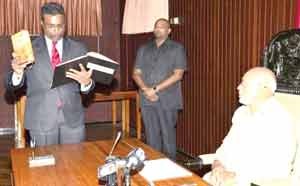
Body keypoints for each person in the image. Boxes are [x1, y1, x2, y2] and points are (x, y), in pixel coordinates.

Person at [5, 2, 94, 146]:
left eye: (60, 26)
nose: (56, 31)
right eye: (51, 26)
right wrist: (18, 73)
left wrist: (87, 83)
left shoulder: (79, 49)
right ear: (42, 24)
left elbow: (89, 84)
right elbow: (11, 85)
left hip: (72, 121)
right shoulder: (28, 49)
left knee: (75, 167)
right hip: (41, 121)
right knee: (45, 168)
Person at [205, 67, 297, 186]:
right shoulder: (241, 113)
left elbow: (277, 169)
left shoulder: (279, 120)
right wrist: (218, 166)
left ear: (264, 89)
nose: (238, 87)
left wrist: (236, 177)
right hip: (220, 177)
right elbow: (224, 150)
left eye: (244, 84)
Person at [132, 18, 187, 159]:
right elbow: (136, 73)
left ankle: (171, 171)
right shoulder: (143, 49)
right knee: (151, 137)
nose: (158, 29)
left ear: (169, 31)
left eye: (162, 27)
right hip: (146, 99)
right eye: (156, 26)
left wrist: (154, 89)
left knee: (168, 136)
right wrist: (146, 90)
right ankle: (153, 167)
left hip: (167, 99)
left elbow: (178, 75)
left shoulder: (177, 48)